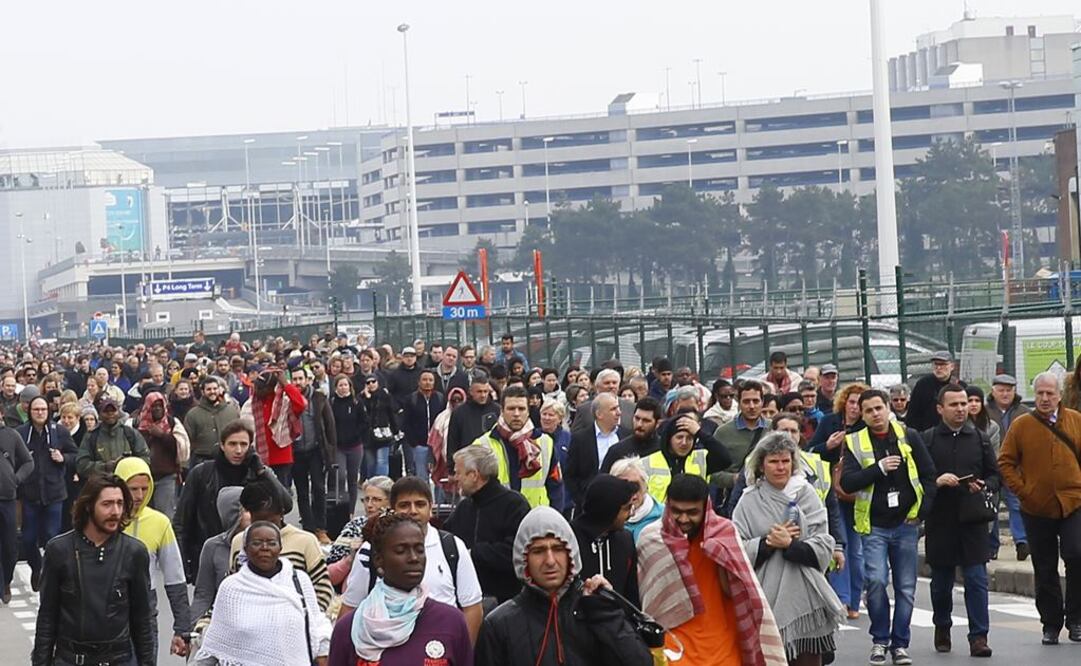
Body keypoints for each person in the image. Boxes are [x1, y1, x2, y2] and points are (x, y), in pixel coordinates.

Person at [636, 474, 787, 666]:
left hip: (722, 646)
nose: (683, 519)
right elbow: (650, 601)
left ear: (706, 507)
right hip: (672, 646)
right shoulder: (651, 538)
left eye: (692, 512)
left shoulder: (724, 534)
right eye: (676, 511)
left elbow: (739, 589)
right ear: (667, 505)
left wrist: (719, 552)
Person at [475, 505, 653, 666]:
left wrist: (606, 612)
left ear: (571, 554)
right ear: (523, 558)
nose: (550, 561)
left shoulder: (595, 611)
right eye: (538, 551)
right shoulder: (499, 625)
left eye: (558, 549)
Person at [840, 389, 937, 666]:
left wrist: (921, 513)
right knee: (876, 581)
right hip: (874, 526)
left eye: (878, 408)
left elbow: (929, 475)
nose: (875, 414)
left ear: (888, 408)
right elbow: (847, 483)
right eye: (868, 410)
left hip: (906, 524)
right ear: (862, 415)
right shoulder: (855, 441)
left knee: (905, 588)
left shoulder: (909, 436)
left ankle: (900, 644)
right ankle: (880, 640)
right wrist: (878, 468)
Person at [733, 433, 846, 666]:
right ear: (761, 465)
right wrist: (766, 543)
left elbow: (823, 543)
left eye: (785, 461)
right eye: (773, 461)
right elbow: (736, 548)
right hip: (763, 596)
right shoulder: (748, 500)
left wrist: (791, 545)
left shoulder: (807, 493)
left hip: (806, 600)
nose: (780, 467)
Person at [33, 474, 155, 666]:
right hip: (71, 659)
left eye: (120, 503)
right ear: (89, 506)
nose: (115, 511)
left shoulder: (134, 552)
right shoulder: (59, 550)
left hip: (118, 659)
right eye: (107, 504)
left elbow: (142, 620)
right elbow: (47, 616)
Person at [341, 477, 484, 640]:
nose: (413, 511)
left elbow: (472, 608)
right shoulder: (370, 551)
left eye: (420, 504)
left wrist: (462, 651)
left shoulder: (453, 547)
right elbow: (350, 609)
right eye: (404, 505)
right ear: (392, 509)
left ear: (431, 507)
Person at [998, 372, 1081, 645]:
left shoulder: (1076, 421)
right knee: (1044, 566)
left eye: (1050, 393)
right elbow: (1005, 462)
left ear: (1059, 395)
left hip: (1074, 502)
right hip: (1036, 507)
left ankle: (1077, 619)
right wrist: (1024, 491)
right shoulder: (1022, 425)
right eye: (1040, 393)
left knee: (1077, 555)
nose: (1045, 398)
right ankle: (1051, 623)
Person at [329, 513, 474, 666]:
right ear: (378, 560)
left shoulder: (452, 621)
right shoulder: (350, 628)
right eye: (401, 550)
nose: (414, 558)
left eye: (419, 550)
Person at [920, 384, 998, 657]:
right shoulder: (928, 439)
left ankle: (979, 637)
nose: (961, 409)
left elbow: (994, 475)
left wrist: (984, 485)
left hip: (973, 520)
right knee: (941, 583)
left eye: (964, 404)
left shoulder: (980, 439)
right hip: (940, 521)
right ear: (940, 408)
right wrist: (937, 481)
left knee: (976, 579)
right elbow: (917, 478)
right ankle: (942, 625)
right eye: (954, 404)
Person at [195, 521, 332, 666]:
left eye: (272, 543)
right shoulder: (231, 588)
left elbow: (317, 623)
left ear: (280, 548)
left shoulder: (299, 581)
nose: (265, 548)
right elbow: (217, 638)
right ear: (245, 548)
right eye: (257, 543)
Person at [173, 419, 286, 581]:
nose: (238, 450)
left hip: (254, 554)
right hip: (210, 552)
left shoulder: (258, 473)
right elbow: (181, 521)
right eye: (232, 444)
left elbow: (285, 504)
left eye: (243, 444)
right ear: (222, 445)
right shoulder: (201, 473)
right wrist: (183, 563)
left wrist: (262, 472)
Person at [116, 457, 193, 657]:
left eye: (145, 488)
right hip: (108, 615)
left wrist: (182, 628)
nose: (139, 495)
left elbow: (175, 577)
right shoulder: (104, 519)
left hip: (144, 613)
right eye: (133, 489)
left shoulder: (159, 522)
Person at [228, 476, 335, 612]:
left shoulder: (305, 541)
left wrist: (308, 616)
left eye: (270, 522)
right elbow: (233, 586)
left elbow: (322, 587)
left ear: (281, 514)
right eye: (258, 522)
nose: (265, 529)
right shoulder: (239, 541)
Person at [444, 446, 531, 603]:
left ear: (474, 475)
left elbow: (517, 551)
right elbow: (446, 539)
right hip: (466, 600)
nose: (455, 478)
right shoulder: (464, 508)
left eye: (458, 473)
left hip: (506, 601)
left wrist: (472, 553)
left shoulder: (514, 505)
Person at [17, 396, 78, 592]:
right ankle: (37, 568)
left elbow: (76, 455)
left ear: (48, 411)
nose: (40, 413)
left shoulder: (59, 431)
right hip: (30, 493)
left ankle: (51, 575)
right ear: (30, 411)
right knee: (28, 539)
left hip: (54, 493)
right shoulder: (21, 433)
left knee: (52, 536)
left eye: (43, 409)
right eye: (36, 409)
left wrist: (63, 458)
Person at [470, 384, 562, 509]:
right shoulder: (482, 444)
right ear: (502, 411)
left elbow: (556, 487)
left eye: (521, 409)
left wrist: (554, 517)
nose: (516, 414)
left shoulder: (545, 442)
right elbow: (474, 490)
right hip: (498, 516)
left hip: (535, 516)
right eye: (511, 409)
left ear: (528, 411)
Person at [570, 473, 640, 603]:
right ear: (609, 510)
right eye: (627, 508)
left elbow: (632, 596)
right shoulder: (568, 541)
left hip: (616, 615)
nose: (631, 514)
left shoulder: (626, 541)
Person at [290, 367, 338, 545]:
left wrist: (331, 452)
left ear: (307, 379)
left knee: (318, 488)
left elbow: (330, 425)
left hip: (316, 450)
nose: (298, 382)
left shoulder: (318, 397)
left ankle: (321, 528)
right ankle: (308, 528)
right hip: (296, 452)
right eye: (294, 379)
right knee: (302, 492)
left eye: (300, 378)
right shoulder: (288, 399)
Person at [986, 373, 1031, 562]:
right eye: (1001, 390)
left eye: (1009, 390)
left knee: (1016, 505)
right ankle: (991, 546)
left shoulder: (1023, 412)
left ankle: (1021, 542)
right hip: (991, 468)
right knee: (991, 507)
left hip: (1015, 468)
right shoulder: (985, 412)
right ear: (993, 391)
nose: (1005, 394)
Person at [190, 486, 247, 628]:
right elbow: (203, 595)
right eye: (247, 510)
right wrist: (193, 627)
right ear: (234, 514)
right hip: (224, 624)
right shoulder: (213, 547)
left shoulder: (267, 545)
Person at [644, 409, 730, 502]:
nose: (684, 443)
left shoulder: (700, 458)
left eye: (689, 438)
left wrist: (699, 432)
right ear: (669, 439)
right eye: (679, 437)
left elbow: (725, 459)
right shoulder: (647, 463)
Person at [242, 366, 307, 487]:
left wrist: (286, 384)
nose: (258, 390)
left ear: (271, 388)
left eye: (262, 388)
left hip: (281, 457)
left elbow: (301, 404)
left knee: (281, 493)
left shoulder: (283, 401)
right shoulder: (250, 404)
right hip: (258, 458)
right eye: (257, 386)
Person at [326, 476, 393, 586]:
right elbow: (328, 576)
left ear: (390, 502)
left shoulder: (399, 528)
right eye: (366, 499)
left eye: (376, 500)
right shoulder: (355, 525)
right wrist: (350, 559)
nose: (369, 505)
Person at [566, 393, 627, 509]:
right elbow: (570, 475)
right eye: (613, 409)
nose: (619, 412)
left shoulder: (626, 435)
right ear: (599, 414)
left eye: (618, 408)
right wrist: (581, 501)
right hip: (589, 505)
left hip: (622, 505)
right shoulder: (580, 439)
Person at [135, 391, 189, 519]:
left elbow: (181, 448)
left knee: (165, 516)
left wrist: (163, 435)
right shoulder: (137, 424)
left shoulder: (172, 423)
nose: (157, 409)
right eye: (154, 406)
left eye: (160, 406)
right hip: (143, 477)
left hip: (166, 477)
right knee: (143, 515)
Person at [712, 380, 769, 496]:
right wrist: (735, 479)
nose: (751, 406)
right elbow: (711, 472)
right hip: (735, 495)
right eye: (746, 402)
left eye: (756, 401)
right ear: (738, 402)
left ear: (762, 402)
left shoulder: (773, 428)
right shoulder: (723, 433)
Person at [75, 396, 150, 478]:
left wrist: (127, 464)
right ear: (99, 414)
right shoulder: (91, 437)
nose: (110, 414)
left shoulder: (130, 433)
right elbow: (81, 465)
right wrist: (105, 467)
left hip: (127, 481)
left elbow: (146, 458)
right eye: (106, 411)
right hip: (101, 482)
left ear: (118, 412)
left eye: (113, 410)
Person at [0, 420, 32, 604]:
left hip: (7, 498)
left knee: (10, 546)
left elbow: (28, 462)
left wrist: (16, 479)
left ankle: (6, 581)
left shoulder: (12, 435)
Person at [445, 373, 500, 475]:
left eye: (485, 391)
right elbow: (452, 442)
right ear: (471, 392)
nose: (483, 395)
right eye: (479, 391)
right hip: (467, 464)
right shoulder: (459, 412)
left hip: (492, 463)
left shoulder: (497, 410)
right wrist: (451, 470)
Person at [184, 375, 241, 467]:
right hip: (202, 461)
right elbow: (187, 442)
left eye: (215, 389)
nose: (212, 392)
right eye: (209, 389)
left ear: (219, 390)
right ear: (203, 392)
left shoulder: (232, 411)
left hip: (228, 459)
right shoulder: (192, 414)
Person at [330, 374, 365, 514]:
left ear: (350, 387)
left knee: (352, 479)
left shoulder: (357, 402)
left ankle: (350, 511)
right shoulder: (332, 403)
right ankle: (340, 508)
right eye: (340, 385)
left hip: (355, 446)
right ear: (336, 387)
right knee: (340, 476)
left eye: (345, 385)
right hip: (339, 447)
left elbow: (364, 422)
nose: (343, 388)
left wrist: (357, 434)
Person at [402, 369, 445, 480]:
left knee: (439, 476)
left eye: (430, 380)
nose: (427, 382)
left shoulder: (440, 398)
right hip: (420, 445)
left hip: (437, 445)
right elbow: (406, 422)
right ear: (419, 382)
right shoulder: (411, 399)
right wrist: (414, 443)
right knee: (421, 477)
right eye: (424, 379)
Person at [600, 396, 662, 472]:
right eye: (637, 418)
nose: (639, 424)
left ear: (658, 423)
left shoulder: (665, 450)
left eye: (646, 421)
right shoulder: (617, 451)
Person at [610, 456, 663, 543]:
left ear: (645, 485)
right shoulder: (607, 521)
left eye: (635, 486)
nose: (632, 495)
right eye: (623, 488)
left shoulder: (664, 516)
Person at [905, 350, 962, 432]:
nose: (938, 368)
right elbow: (913, 414)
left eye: (943, 364)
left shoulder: (959, 386)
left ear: (952, 366)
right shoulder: (923, 384)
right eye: (936, 364)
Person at [358, 372, 401, 478]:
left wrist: (396, 431)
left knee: (382, 461)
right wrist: (368, 398)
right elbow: (363, 415)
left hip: (383, 434)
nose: (371, 384)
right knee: (370, 463)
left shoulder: (385, 396)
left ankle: (381, 484)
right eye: (368, 383)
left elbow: (391, 414)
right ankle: (372, 483)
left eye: (373, 381)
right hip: (368, 436)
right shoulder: (361, 398)